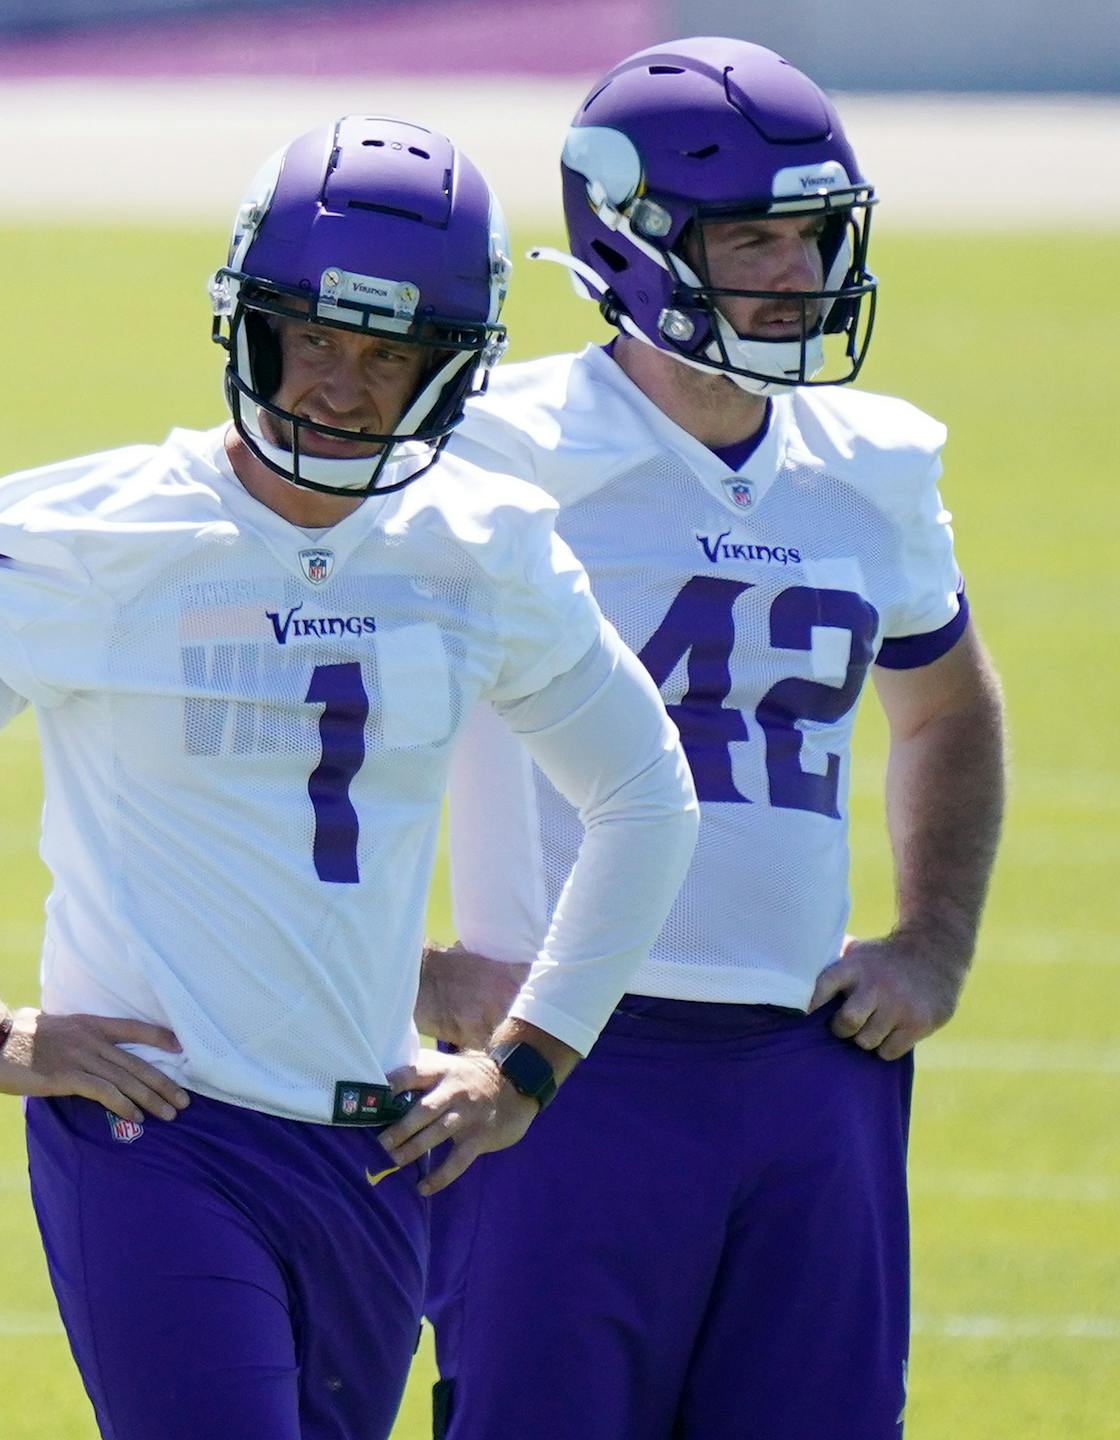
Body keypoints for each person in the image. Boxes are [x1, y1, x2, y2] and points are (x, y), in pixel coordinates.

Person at [0, 115, 699, 1440]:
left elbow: (646, 794)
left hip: (379, 1145)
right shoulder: (115, 539)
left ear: (452, 370)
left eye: (387, 354)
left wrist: (526, 1067)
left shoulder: (475, 551)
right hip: (161, 1139)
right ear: (247, 319)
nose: (339, 384)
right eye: (314, 335)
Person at [419, 38, 1008, 1439]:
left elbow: (945, 703)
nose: (798, 272)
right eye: (753, 234)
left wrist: (934, 940)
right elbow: (325, 721)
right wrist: (412, 964)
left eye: (814, 235)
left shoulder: (872, 464)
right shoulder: (496, 454)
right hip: (557, 1065)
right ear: (629, 241)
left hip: (809, 1065)